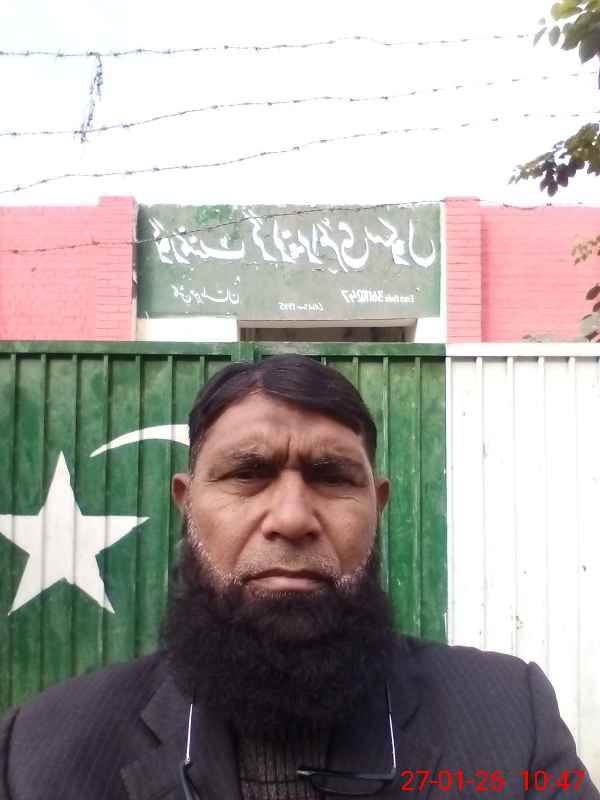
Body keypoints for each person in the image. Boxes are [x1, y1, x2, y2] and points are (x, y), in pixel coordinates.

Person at [0, 354, 598, 800]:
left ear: (377, 507)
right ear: (187, 504)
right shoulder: (39, 753)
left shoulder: (511, 722)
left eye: (332, 477)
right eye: (247, 474)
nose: (291, 519)